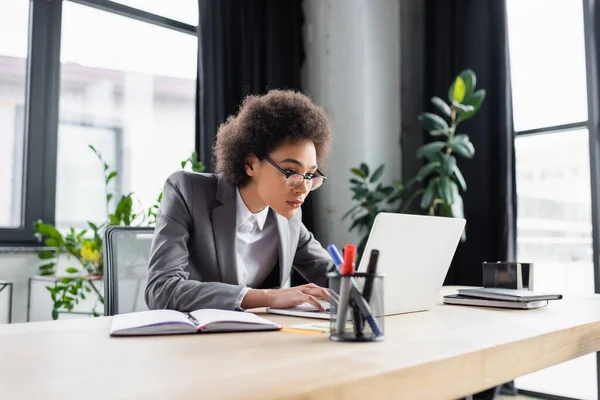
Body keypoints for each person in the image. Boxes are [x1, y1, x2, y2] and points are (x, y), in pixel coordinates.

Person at [145, 89, 335, 313]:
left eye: (310, 175)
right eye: (290, 172)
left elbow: (333, 275)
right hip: (194, 340)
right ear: (251, 164)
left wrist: (372, 282)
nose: (303, 187)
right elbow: (161, 290)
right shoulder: (188, 192)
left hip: (259, 340)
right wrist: (267, 297)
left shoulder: (288, 217)